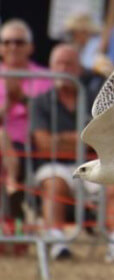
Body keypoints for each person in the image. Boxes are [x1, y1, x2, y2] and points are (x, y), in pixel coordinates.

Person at [31, 44, 114, 261]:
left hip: (94, 162)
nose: (64, 68)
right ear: (50, 68)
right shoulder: (40, 102)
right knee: (54, 182)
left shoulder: (98, 100)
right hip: (55, 165)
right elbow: (44, 144)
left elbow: (108, 141)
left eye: (70, 63)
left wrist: (62, 139)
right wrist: (85, 138)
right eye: (59, 63)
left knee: (113, 185)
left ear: (79, 69)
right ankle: (57, 243)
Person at [0, 19, 52, 216]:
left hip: (34, 147)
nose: (13, 46)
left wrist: (21, 99)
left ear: (30, 47)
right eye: (7, 42)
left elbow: (51, 116)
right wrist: (9, 104)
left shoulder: (46, 77)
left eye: (19, 42)